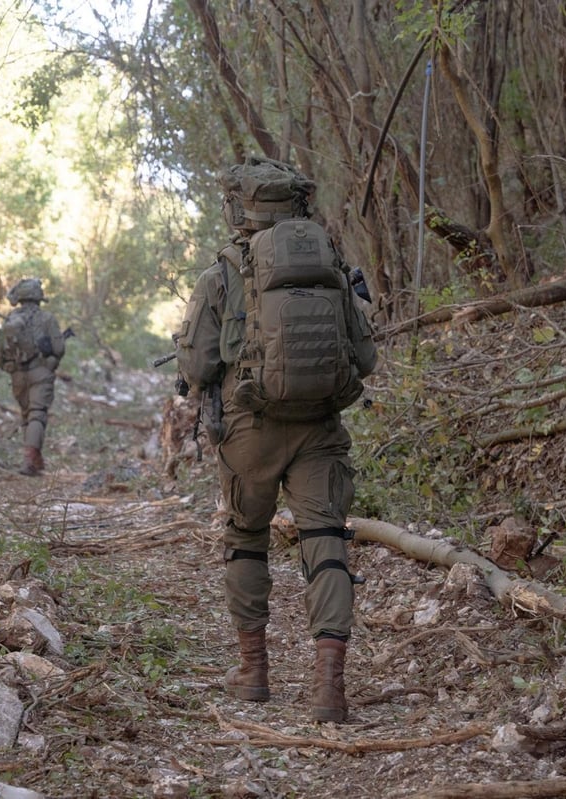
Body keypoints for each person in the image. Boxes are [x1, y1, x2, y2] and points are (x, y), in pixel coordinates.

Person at [176, 160, 378, 722]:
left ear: (241, 209)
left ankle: (253, 671)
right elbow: (365, 356)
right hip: (319, 427)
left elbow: (196, 363)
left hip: (249, 431)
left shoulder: (221, 275)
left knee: (245, 539)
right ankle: (329, 687)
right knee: (325, 541)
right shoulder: (331, 267)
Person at [0, 278, 66, 476]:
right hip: (40, 373)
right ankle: (29, 461)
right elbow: (59, 348)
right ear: (38, 297)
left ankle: (34, 460)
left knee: (27, 415)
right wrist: (51, 362)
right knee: (37, 414)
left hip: (17, 376)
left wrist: (10, 368)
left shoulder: (10, 320)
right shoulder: (47, 319)